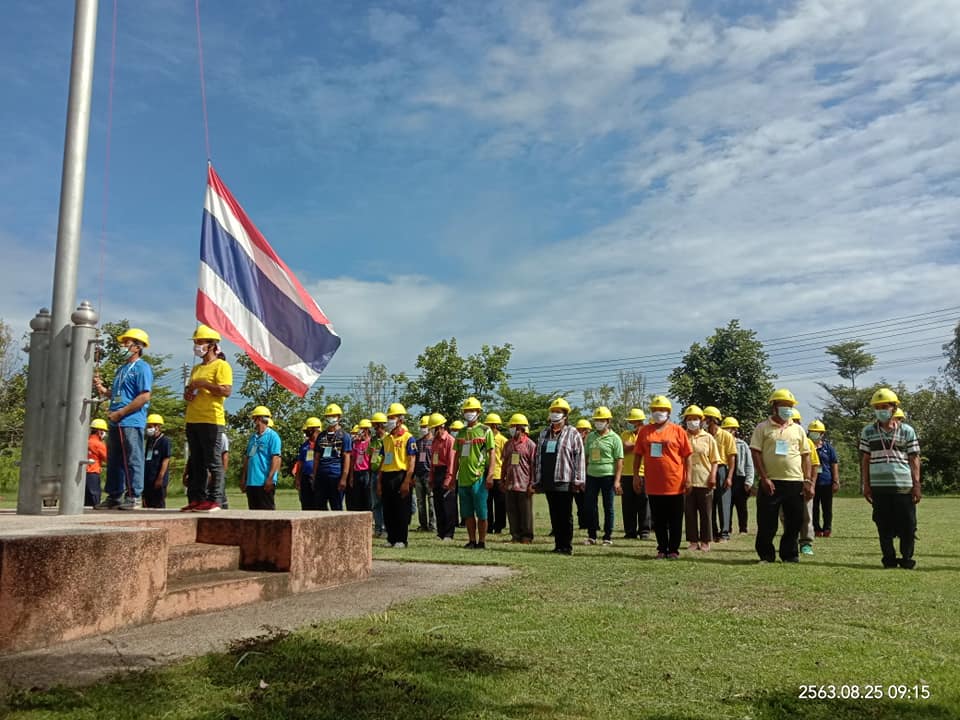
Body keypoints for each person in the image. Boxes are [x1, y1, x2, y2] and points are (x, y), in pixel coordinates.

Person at [92, 327, 154, 510]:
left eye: (127, 342)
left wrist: (122, 412)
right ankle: (114, 495)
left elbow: (144, 396)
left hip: (131, 420)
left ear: (138, 346)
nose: (123, 346)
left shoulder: (142, 368)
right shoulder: (121, 369)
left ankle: (134, 496)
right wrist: (103, 390)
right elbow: (118, 394)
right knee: (114, 460)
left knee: (133, 458)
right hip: (116, 420)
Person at [860, 388, 921, 569]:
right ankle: (889, 559)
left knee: (908, 526)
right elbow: (865, 459)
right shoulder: (868, 431)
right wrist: (866, 484)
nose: (881, 410)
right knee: (883, 525)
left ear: (894, 408)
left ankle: (907, 558)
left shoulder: (907, 431)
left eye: (884, 407)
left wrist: (917, 484)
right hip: (879, 487)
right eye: (877, 407)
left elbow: (914, 459)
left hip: (904, 486)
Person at [749, 389, 812, 563]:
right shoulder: (762, 427)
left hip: (794, 481)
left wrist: (807, 480)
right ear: (774, 407)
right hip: (770, 482)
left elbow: (806, 455)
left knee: (794, 521)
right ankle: (766, 555)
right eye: (784, 405)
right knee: (767, 522)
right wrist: (764, 478)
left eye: (790, 406)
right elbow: (756, 453)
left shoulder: (798, 429)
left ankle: (790, 554)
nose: (787, 409)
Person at [634, 396, 692, 559]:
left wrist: (688, 478)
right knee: (658, 519)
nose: (658, 412)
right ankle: (661, 548)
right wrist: (636, 476)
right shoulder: (644, 431)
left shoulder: (678, 431)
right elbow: (638, 455)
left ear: (668, 412)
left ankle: (673, 550)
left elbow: (688, 456)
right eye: (655, 410)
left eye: (662, 410)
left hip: (675, 483)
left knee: (675, 519)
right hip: (653, 484)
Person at [182, 325, 232, 513]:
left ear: (211, 345)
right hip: (193, 418)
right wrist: (188, 394)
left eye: (200, 342)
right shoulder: (196, 368)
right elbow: (191, 391)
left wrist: (204, 384)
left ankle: (215, 499)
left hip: (211, 419)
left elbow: (226, 390)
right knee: (196, 462)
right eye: (196, 342)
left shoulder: (221, 366)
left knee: (213, 461)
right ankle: (197, 499)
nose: (197, 345)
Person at [532, 397, 585, 555]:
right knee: (554, 514)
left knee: (565, 514)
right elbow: (538, 457)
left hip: (565, 480)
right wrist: (537, 479)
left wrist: (578, 480)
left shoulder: (573, 433)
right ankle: (557, 545)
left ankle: (566, 546)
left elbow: (579, 457)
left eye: (558, 412)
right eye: (553, 411)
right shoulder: (544, 433)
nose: (555, 414)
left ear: (565, 415)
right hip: (548, 480)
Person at [453, 397, 496, 550]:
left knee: (482, 512)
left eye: (472, 410)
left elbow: (492, 454)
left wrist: (490, 475)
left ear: (478, 412)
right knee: (467, 513)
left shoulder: (485, 430)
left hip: (479, 477)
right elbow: (456, 457)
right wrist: (452, 476)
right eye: (466, 410)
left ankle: (482, 541)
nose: (469, 413)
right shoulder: (461, 433)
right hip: (463, 479)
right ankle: (471, 540)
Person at [377, 403, 416, 548]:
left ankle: (401, 539)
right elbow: (383, 461)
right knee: (388, 509)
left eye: (392, 418)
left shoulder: (408, 438)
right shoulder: (387, 439)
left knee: (401, 509)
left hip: (401, 475)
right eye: (389, 418)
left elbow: (412, 461)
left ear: (400, 420)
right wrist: (379, 481)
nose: (389, 421)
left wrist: (407, 481)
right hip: (387, 476)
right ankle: (391, 538)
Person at [583, 406, 624, 546]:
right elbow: (586, 457)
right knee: (590, 506)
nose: (598, 422)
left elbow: (619, 460)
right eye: (596, 420)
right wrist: (584, 475)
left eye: (602, 420)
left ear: (608, 421)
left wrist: (617, 481)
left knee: (608, 506)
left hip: (608, 476)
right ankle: (592, 535)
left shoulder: (615, 438)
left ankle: (607, 536)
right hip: (591, 476)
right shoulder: (590, 437)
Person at [682, 406, 721, 552]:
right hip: (687, 480)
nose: (692, 422)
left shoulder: (708, 438)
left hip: (705, 480)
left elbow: (715, 460)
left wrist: (713, 476)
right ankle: (693, 541)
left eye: (695, 419)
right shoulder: (682, 436)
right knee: (689, 513)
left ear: (701, 420)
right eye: (689, 419)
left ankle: (705, 541)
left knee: (706, 513)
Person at [703, 406, 737, 542]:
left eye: (705, 418)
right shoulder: (704, 435)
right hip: (706, 469)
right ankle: (712, 532)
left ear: (712, 420)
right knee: (709, 502)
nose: (703, 421)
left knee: (724, 502)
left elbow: (732, 458)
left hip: (722, 469)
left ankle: (724, 533)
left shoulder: (726, 436)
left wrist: (729, 477)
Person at [502, 413, 536, 544]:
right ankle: (515, 535)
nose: (511, 429)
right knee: (512, 511)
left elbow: (533, 466)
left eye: (513, 426)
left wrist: (532, 484)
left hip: (524, 484)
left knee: (525, 512)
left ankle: (527, 536)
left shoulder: (530, 445)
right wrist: (502, 479)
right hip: (510, 484)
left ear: (521, 428)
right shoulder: (508, 444)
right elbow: (505, 462)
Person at [312, 403, 352, 510]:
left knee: (336, 507)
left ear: (339, 417)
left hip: (336, 476)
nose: (331, 418)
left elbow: (347, 458)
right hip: (321, 476)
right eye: (329, 416)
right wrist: (314, 476)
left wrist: (344, 478)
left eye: (334, 416)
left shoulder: (345, 436)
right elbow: (316, 458)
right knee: (319, 506)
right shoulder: (321, 436)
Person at [241, 406, 280, 510]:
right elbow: (248, 458)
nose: (254, 422)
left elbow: (276, 458)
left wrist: (270, 479)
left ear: (259, 419)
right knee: (253, 513)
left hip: (264, 482)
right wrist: (244, 478)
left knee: (267, 514)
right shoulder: (253, 437)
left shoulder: (273, 436)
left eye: (254, 419)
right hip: (251, 482)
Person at [793, 409, 821, 556]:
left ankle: (806, 543)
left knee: (806, 515)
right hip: (787, 482)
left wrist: (811, 484)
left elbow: (815, 465)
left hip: (804, 483)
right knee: (786, 515)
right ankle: (791, 540)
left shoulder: (808, 442)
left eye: (795, 421)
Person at [620, 408, 650, 540]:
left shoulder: (647, 433)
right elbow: (624, 448)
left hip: (644, 473)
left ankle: (644, 531)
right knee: (628, 504)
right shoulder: (624, 434)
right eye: (630, 421)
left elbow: (647, 448)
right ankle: (630, 532)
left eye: (633, 421)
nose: (630, 424)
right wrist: (638, 445)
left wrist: (632, 445)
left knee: (643, 503)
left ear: (640, 422)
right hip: (626, 473)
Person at [428, 413, 457, 541]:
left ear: (441, 427)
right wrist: (431, 477)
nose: (433, 431)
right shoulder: (434, 441)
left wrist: (448, 479)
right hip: (436, 473)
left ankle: (449, 533)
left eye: (435, 428)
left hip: (446, 473)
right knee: (438, 504)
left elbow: (452, 462)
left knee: (448, 505)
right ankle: (441, 532)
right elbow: (432, 461)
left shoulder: (450, 440)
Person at [723, 417, 755, 533]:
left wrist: (749, 481)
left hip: (740, 478)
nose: (727, 431)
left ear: (735, 430)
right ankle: (727, 528)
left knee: (741, 505)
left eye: (729, 429)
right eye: (725, 429)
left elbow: (749, 464)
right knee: (727, 505)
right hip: (726, 477)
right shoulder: (722, 444)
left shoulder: (743, 445)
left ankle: (743, 528)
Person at [809, 419, 839, 537]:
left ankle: (827, 529)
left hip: (826, 482)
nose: (814, 434)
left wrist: (835, 481)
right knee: (814, 507)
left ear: (822, 434)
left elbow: (834, 464)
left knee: (827, 508)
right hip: (812, 482)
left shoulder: (828, 448)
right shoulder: (806, 446)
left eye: (816, 432)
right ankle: (816, 529)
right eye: (812, 432)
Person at [484, 413, 508, 535]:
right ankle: (488, 526)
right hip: (486, 473)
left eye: (489, 425)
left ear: (494, 425)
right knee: (487, 502)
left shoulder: (503, 440)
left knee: (500, 503)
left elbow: (506, 458)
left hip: (498, 475)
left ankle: (499, 526)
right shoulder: (483, 439)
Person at [142, 413, 171, 508]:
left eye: (150, 427)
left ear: (157, 427)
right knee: (147, 504)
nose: (148, 429)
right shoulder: (150, 441)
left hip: (158, 479)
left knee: (158, 504)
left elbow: (166, 460)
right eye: (148, 427)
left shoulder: (165, 441)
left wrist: (160, 478)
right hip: (148, 479)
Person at [413, 415, 435, 532]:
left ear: (430, 427)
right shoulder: (417, 442)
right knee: (420, 501)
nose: (423, 429)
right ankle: (423, 525)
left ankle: (433, 525)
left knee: (431, 500)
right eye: (421, 426)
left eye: (425, 426)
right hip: (418, 475)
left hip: (429, 474)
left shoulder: (434, 442)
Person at [295, 417, 322, 510]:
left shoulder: (323, 444)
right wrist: (297, 479)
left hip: (318, 478)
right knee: (306, 504)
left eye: (308, 429)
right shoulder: (304, 445)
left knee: (318, 504)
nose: (306, 432)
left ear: (315, 429)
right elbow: (300, 463)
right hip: (305, 478)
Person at [348, 419, 374, 513]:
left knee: (367, 497)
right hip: (356, 473)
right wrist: (351, 476)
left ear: (367, 430)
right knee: (357, 497)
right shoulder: (356, 443)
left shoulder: (371, 443)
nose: (360, 431)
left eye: (362, 429)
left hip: (366, 472)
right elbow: (352, 460)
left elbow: (372, 459)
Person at [368, 412, 388, 536]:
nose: (374, 429)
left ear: (381, 425)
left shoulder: (388, 439)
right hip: (374, 473)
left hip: (385, 473)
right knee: (375, 503)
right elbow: (369, 454)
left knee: (385, 502)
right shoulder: (373, 440)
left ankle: (386, 528)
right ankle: (378, 528)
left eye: (375, 426)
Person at [573, 418, 592, 530]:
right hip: (577, 476)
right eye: (579, 430)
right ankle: (582, 524)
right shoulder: (574, 443)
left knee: (589, 502)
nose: (582, 433)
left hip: (590, 476)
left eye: (584, 430)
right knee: (579, 501)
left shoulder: (592, 443)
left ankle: (592, 524)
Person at [86, 419, 108, 507]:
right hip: (93, 473)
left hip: (83, 473)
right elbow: (107, 458)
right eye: (104, 431)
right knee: (94, 497)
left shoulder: (85, 441)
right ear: (100, 431)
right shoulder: (99, 444)